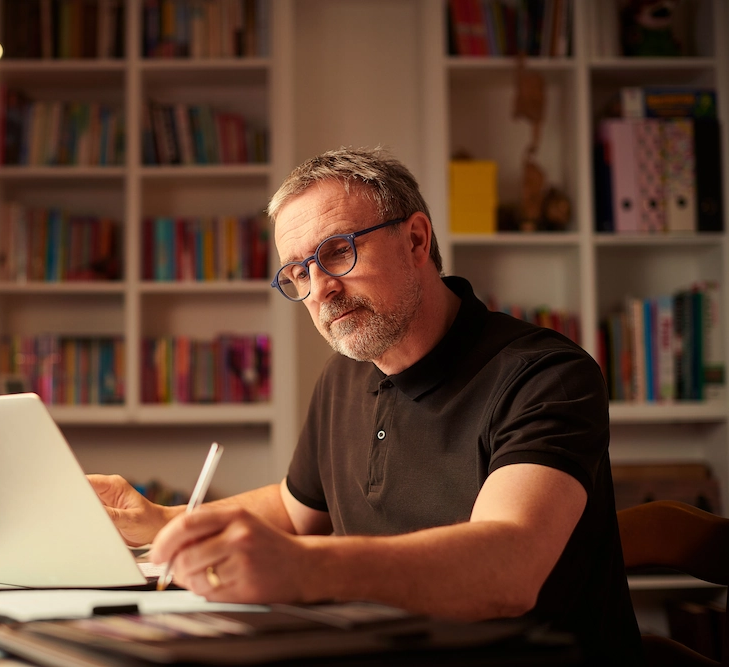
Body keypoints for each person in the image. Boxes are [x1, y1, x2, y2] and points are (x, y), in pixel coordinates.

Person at [90, 147, 643, 664]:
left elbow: (510, 568)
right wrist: (164, 520)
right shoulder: (345, 375)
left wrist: (305, 569)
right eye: (299, 272)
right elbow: (294, 510)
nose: (319, 289)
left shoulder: (545, 374)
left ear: (416, 241)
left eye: (337, 252)